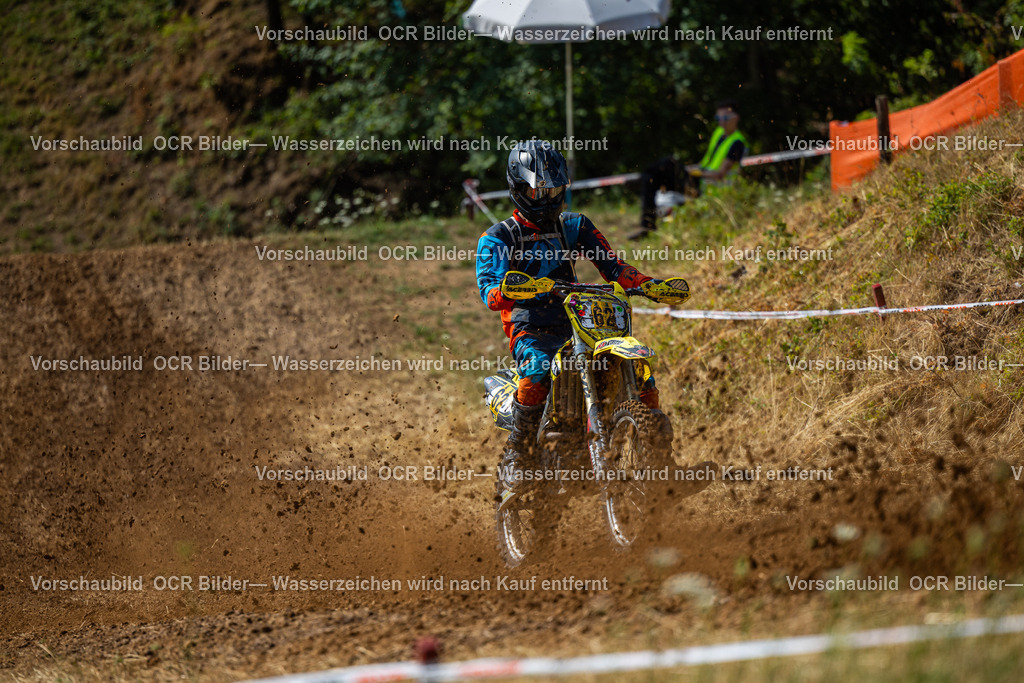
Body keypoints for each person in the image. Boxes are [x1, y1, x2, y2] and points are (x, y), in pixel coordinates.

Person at [476, 140, 665, 496]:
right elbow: (490, 293)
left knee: (638, 367)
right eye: (539, 191)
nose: (548, 199)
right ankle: (520, 454)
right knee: (538, 369)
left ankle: (661, 464)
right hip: (531, 328)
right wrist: (515, 288)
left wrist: (646, 284)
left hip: (579, 320)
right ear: (518, 188)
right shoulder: (498, 238)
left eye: (554, 190)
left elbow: (613, 267)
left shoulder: (575, 226)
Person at [630, 100, 748, 240]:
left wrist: (696, 173)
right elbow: (707, 162)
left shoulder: (737, 143)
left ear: (736, 118)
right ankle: (647, 224)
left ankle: (640, 186)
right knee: (652, 176)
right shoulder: (719, 133)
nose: (721, 122)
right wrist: (693, 169)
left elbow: (719, 174)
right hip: (700, 179)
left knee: (666, 164)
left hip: (707, 187)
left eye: (725, 118)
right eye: (718, 118)